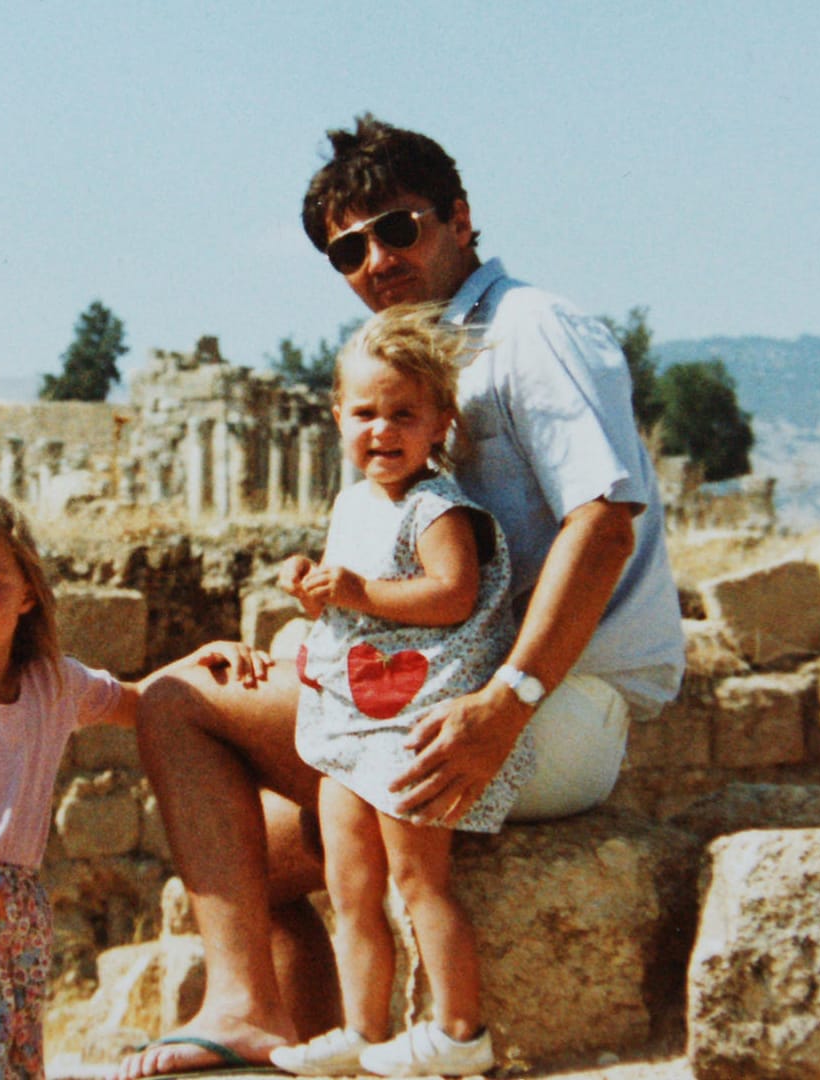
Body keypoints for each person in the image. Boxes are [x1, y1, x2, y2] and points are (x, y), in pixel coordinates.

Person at [115, 114, 685, 1079]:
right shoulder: (412, 363)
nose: (375, 259)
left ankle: (242, 1007)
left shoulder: (530, 329)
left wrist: (509, 702)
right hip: (440, 687)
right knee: (246, 853)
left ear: (460, 219)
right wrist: (302, 653)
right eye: (347, 248)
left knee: (174, 701)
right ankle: (325, 1042)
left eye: (397, 228)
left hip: (553, 706)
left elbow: (603, 523)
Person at [0, 493, 264, 1078]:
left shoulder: (54, 686)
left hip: (17, 921)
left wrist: (202, 661)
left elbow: (142, 702)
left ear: (27, 595)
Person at [268, 302, 517, 1077]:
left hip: (414, 720)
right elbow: (353, 597)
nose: (383, 431)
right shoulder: (352, 504)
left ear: (441, 420)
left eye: (404, 414)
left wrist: (361, 593)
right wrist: (314, 588)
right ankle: (364, 1029)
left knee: (417, 877)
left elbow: (452, 594)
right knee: (350, 883)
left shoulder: (438, 508)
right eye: (367, 413)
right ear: (338, 415)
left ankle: (459, 1029)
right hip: (354, 721)